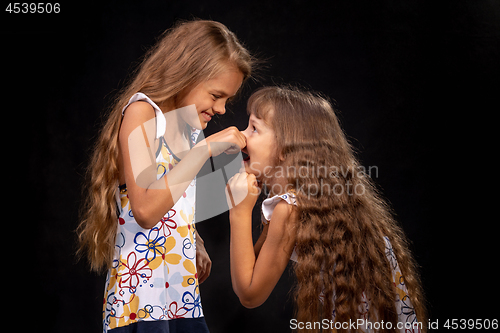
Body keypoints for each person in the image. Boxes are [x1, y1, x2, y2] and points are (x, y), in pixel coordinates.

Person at [77, 19, 252, 332]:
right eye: (216, 95)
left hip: (180, 298)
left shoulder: (189, 130)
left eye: (228, 99)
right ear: (187, 73)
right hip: (140, 306)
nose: (222, 108)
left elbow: (171, 200)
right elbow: (144, 209)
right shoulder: (142, 113)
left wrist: (193, 238)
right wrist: (205, 150)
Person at [226, 86, 426, 332]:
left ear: (286, 149)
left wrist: (238, 212)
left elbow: (249, 293)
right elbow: (254, 265)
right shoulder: (316, 200)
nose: (242, 136)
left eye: (254, 128)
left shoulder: (290, 209)